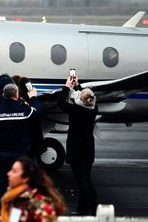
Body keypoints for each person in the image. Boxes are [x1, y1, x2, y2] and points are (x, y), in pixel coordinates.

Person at [0, 83, 41, 200]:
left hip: (1, 154)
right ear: (17, 94)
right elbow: (38, 112)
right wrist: (33, 97)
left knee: (2, 189)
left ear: (3, 95)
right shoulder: (25, 111)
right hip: (20, 154)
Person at [57, 74, 98, 216]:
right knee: (87, 179)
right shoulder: (93, 109)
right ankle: (92, 209)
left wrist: (67, 86)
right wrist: (78, 86)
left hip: (76, 149)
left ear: (81, 99)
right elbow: (86, 98)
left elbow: (60, 102)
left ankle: (84, 209)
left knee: (82, 182)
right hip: (88, 149)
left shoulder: (76, 110)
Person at [0, 157, 66, 222]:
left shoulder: (38, 203)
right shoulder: (13, 197)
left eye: (14, 171)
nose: (9, 174)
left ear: (25, 178)